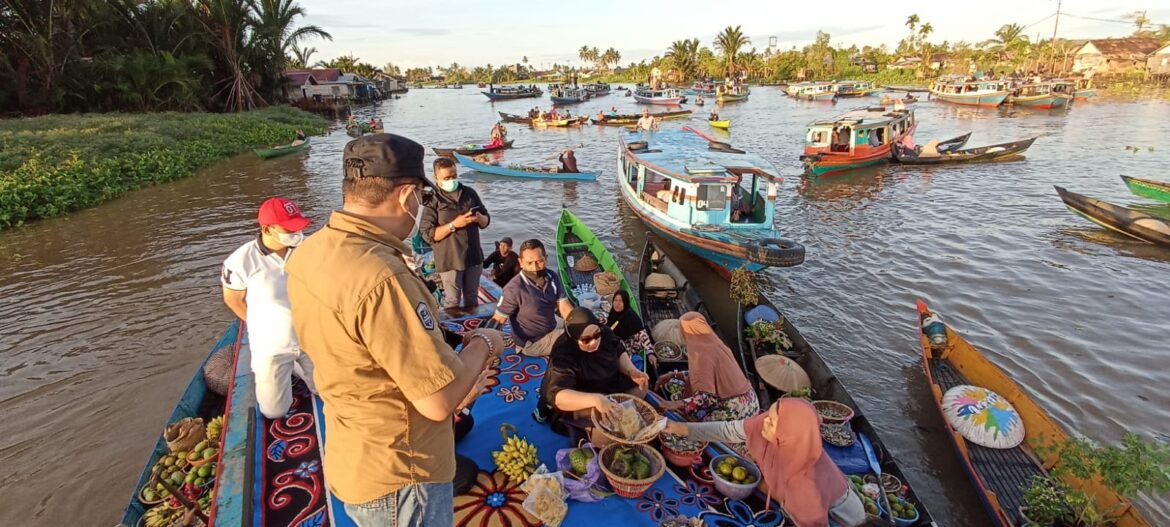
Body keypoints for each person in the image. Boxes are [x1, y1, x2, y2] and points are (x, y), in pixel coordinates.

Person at [286, 133, 504, 527]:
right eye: (420, 197)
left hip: (352, 449)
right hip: (403, 475)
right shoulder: (382, 277)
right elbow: (438, 401)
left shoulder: (311, 251)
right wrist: (486, 343)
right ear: (407, 196)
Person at [663, 399, 868, 527]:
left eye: (772, 421)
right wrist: (680, 428)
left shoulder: (804, 485)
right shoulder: (774, 429)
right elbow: (729, 430)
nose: (764, 421)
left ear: (787, 434)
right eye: (768, 415)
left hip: (843, 515)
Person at [221, 197, 316, 419]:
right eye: (289, 228)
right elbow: (233, 300)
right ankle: (290, 367)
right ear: (267, 229)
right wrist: (262, 326)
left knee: (327, 390)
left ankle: (300, 368)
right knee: (274, 412)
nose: (296, 233)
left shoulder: (306, 247)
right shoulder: (241, 261)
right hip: (272, 346)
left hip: (309, 336)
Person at [537, 308, 650, 442]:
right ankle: (610, 414)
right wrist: (596, 400)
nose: (594, 342)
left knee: (642, 387)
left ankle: (617, 411)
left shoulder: (605, 333)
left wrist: (631, 370)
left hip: (607, 383)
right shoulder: (564, 352)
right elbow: (558, 396)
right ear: (574, 337)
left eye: (597, 335)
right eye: (586, 340)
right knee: (603, 436)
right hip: (583, 394)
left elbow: (618, 351)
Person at [659, 312, 759, 426]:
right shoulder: (717, 345)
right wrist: (675, 375)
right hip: (751, 402)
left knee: (694, 414)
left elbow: (705, 399)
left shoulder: (701, 355)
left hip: (738, 413)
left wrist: (676, 403)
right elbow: (706, 375)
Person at [420, 157, 491, 310]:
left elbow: (486, 220)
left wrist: (479, 218)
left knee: (472, 297)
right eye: (447, 178)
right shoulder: (433, 200)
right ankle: (452, 332)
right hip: (450, 259)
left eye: (454, 175)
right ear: (436, 178)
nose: (451, 180)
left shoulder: (469, 193)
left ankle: (473, 329)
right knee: (453, 301)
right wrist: (454, 225)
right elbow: (428, 234)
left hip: (473, 257)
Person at [492, 239, 573, 357]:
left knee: (583, 322)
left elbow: (564, 306)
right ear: (521, 262)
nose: (535, 268)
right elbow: (498, 320)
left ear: (546, 258)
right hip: (532, 342)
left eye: (539, 261)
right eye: (529, 263)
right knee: (576, 340)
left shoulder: (552, 277)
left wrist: (579, 324)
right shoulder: (513, 289)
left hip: (551, 324)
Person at [606, 290, 655, 366]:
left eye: (621, 301)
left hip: (629, 343)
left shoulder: (631, 316)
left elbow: (642, 335)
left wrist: (650, 353)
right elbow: (609, 322)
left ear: (625, 302)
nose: (617, 304)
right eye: (615, 300)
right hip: (617, 338)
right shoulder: (613, 312)